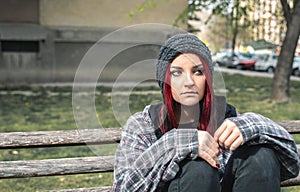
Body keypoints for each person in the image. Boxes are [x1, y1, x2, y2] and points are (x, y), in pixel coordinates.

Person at [112, 33, 299, 192]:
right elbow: (123, 187)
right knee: (197, 169)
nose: (189, 82)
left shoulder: (225, 117)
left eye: (198, 72)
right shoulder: (144, 125)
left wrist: (252, 125)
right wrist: (180, 142)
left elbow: (292, 163)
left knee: (261, 157)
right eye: (177, 73)